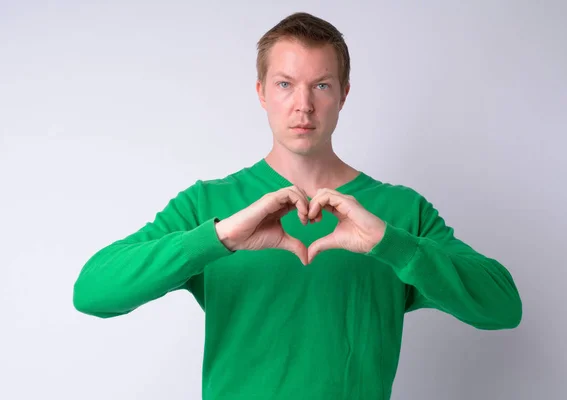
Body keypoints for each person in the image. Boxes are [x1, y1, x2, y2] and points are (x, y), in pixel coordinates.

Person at [73, 11, 522, 400]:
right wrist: (221, 237)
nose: (303, 106)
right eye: (286, 84)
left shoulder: (400, 212)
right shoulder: (209, 205)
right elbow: (93, 293)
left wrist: (391, 244)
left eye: (321, 85)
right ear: (261, 92)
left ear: (344, 94)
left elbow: (503, 308)